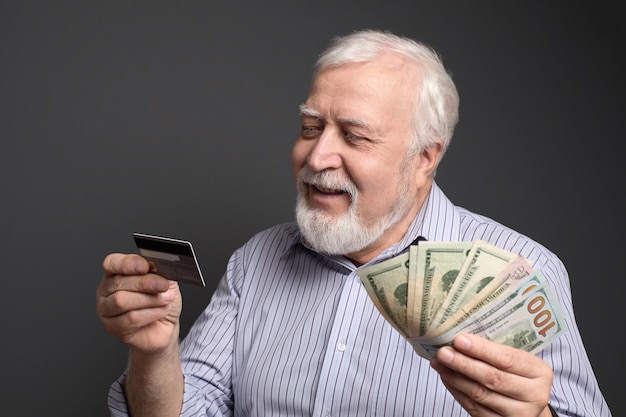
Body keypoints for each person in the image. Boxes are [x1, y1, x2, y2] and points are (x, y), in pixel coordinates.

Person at [96, 29, 612, 417]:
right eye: (310, 127)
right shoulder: (257, 261)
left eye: (355, 137)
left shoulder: (522, 271)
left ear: (424, 158)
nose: (318, 156)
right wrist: (155, 353)